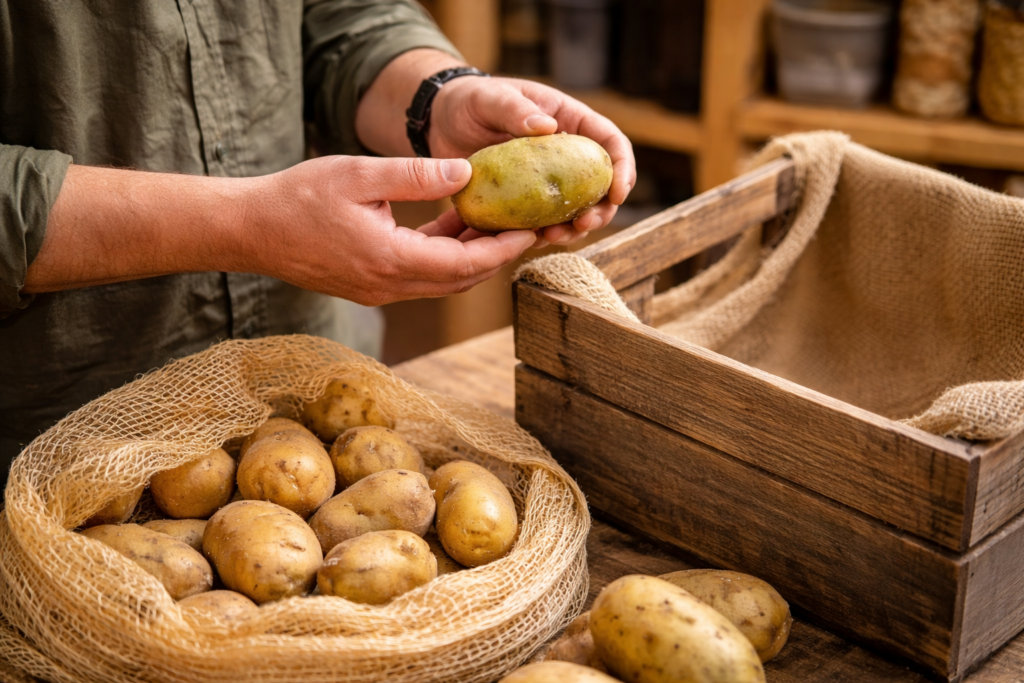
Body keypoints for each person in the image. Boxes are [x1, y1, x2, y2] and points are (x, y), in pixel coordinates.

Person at [0, 0, 635, 484]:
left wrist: (438, 99)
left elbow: (342, 14)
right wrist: (246, 225)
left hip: (326, 397)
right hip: (65, 441)